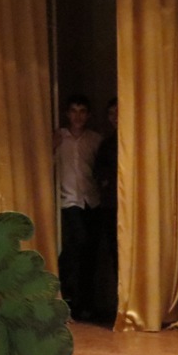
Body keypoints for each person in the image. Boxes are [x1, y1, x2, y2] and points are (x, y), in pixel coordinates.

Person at [54, 94, 103, 321]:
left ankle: (85, 304)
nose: (78, 116)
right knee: (76, 244)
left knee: (90, 253)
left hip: (92, 200)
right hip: (69, 200)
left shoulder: (95, 139)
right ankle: (64, 292)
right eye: (73, 111)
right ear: (67, 114)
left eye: (82, 111)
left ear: (89, 115)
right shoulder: (59, 137)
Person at [92, 97, 118, 323]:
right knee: (115, 253)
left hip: (132, 208)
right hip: (110, 206)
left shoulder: (137, 141)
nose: (115, 117)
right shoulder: (107, 144)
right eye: (111, 113)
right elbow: (98, 173)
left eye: (119, 112)